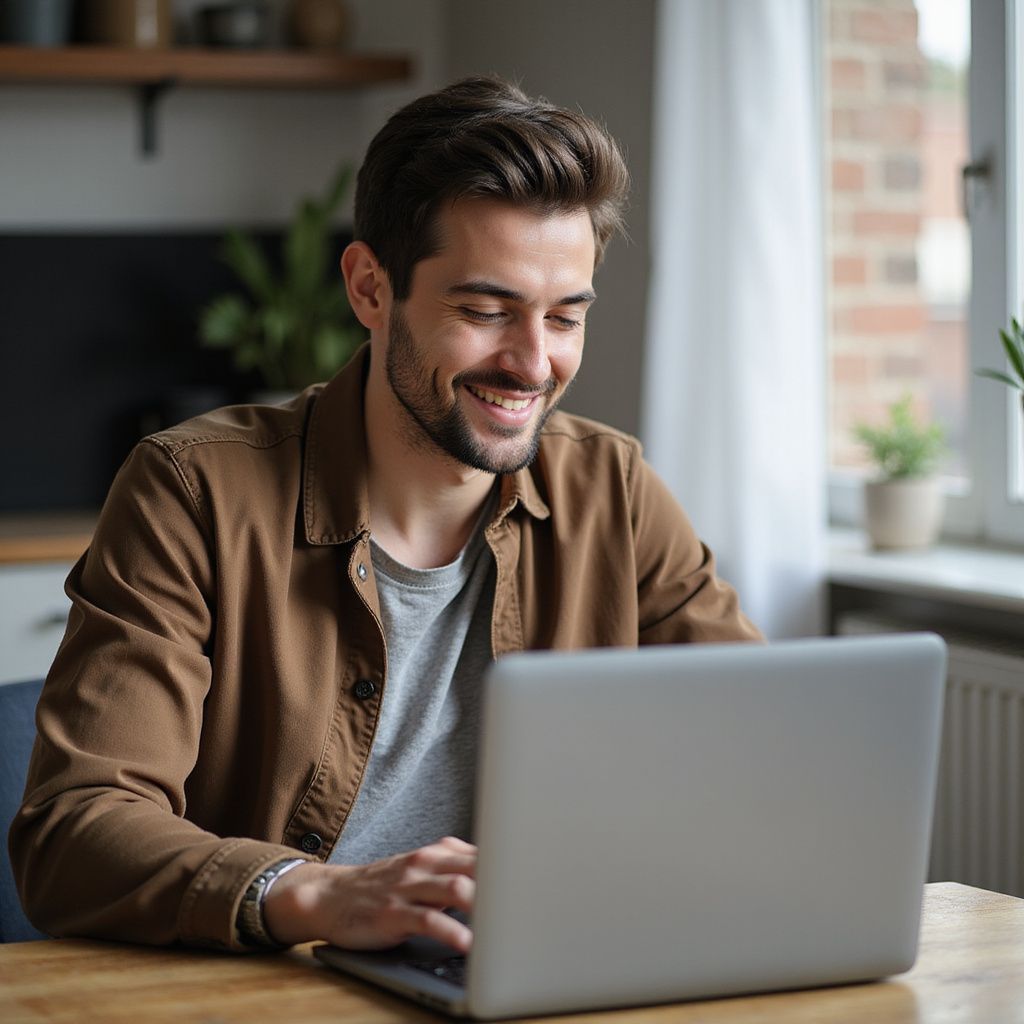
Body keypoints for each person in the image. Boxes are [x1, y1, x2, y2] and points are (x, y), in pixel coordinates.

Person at [9, 76, 760, 956]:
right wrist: (320, 895)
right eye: (485, 311)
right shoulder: (193, 492)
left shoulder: (614, 489)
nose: (533, 364)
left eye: (565, 318)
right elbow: (75, 832)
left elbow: (754, 750)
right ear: (370, 288)